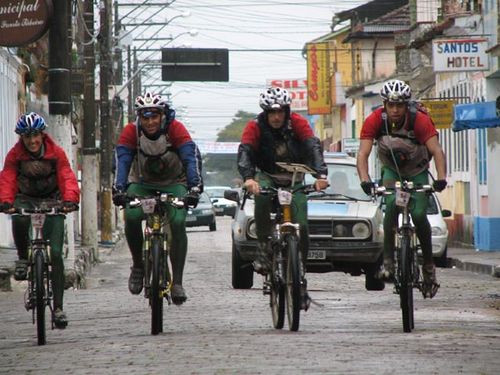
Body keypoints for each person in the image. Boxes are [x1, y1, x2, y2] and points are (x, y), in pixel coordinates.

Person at [356, 79, 447, 298]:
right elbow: (363, 154)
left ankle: (428, 266)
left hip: (417, 170)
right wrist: (365, 180)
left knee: (418, 213)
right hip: (392, 171)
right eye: (391, 105)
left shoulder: (420, 120)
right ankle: (388, 262)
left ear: (407, 105)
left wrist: (441, 178)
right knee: (390, 206)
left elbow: (436, 151)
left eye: (400, 105)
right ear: (385, 105)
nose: (395, 110)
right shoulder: (375, 120)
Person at [237, 87, 328, 304]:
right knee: (260, 197)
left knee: (302, 225)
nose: (276, 117)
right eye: (271, 112)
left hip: (294, 177)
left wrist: (321, 174)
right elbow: (245, 152)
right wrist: (249, 178)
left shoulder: (298, 123)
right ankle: (262, 246)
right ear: (265, 113)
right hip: (267, 175)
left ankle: (300, 269)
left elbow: (312, 147)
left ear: (287, 111)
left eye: (280, 112)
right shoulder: (254, 126)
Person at [112, 92, 202, 305]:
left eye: (155, 116)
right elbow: (122, 161)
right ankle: (137, 266)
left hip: (174, 183)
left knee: (178, 221)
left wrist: (194, 188)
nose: (150, 122)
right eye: (145, 117)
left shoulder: (176, 129)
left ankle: (177, 282)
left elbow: (190, 158)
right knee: (132, 216)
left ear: (163, 116)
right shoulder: (130, 132)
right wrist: (119, 189)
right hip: (142, 185)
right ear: (139, 118)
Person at [0, 112, 80, 328]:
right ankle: (22, 258)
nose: (32, 141)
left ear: (42, 135)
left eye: (35, 135)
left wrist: (70, 200)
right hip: (25, 199)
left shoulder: (56, 153)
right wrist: (6, 201)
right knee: (18, 218)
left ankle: (60, 308)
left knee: (55, 253)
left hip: (53, 201)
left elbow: (66, 176)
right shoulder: (15, 155)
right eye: (27, 137)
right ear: (21, 138)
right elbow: (7, 177)